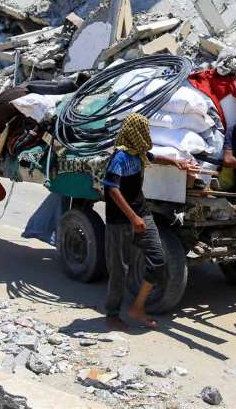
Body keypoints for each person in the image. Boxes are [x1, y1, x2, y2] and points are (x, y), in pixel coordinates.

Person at [103, 113, 194, 331]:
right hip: (121, 221)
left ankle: (137, 307)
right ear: (134, 133)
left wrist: (176, 162)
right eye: (143, 131)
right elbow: (111, 188)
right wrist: (133, 218)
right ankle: (112, 314)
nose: (147, 135)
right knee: (120, 269)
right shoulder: (120, 158)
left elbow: (153, 158)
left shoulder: (139, 154)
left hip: (142, 213)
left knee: (158, 259)